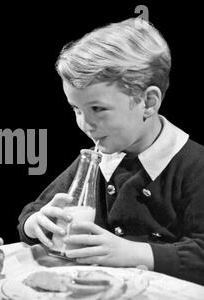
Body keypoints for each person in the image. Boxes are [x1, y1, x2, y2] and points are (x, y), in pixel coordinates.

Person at [17, 18, 204, 285]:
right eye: (76, 109)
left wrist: (129, 252)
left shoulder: (194, 165)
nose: (85, 124)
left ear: (148, 102)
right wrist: (36, 223)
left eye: (98, 109)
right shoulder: (98, 159)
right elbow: (34, 210)